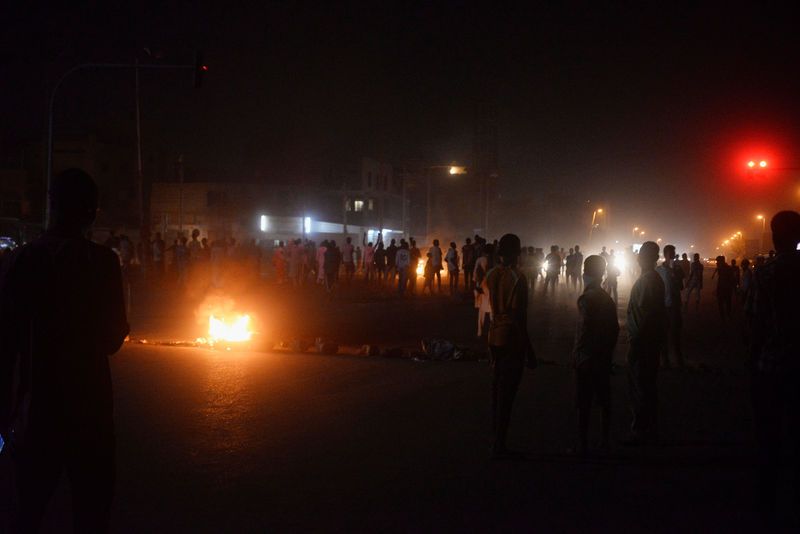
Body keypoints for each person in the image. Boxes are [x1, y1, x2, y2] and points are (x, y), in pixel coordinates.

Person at [0, 169, 129, 532]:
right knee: (91, 514)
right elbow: (112, 339)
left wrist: (6, 409)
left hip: (37, 409)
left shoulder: (20, 260)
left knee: (27, 513)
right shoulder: (102, 262)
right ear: (91, 211)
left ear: (51, 206)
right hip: (91, 413)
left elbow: (6, 343)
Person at [748, 211, 800, 523]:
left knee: (769, 435)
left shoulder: (766, 273)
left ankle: (767, 501)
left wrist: (751, 361)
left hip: (772, 367)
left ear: (774, 235)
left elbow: (756, 324)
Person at [486, 234, 535, 458]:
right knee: (508, 393)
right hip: (511, 337)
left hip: (493, 335)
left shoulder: (491, 274)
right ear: (517, 252)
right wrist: (529, 349)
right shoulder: (518, 278)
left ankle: (495, 437)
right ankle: (500, 442)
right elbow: (518, 316)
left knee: (497, 390)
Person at [572, 255, 619, 454]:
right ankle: (604, 441)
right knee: (603, 400)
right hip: (603, 355)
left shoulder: (586, 299)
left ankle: (582, 445)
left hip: (587, 357)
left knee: (584, 402)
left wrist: (577, 353)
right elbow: (615, 329)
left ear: (585, 272)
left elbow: (584, 328)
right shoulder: (607, 298)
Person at [625, 241, 666, 445]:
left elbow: (648, 314)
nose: (638, 257)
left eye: (641, 254)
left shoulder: (649, 281)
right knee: (646, 386)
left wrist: (637, 340)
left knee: (641, 387)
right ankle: (650, 429)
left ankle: (641, 432)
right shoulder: (650, 279)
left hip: (643, 342)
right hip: (646, 340)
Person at [656, 245, 685, 368]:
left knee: (675, 333)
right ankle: (665, 360)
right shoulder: (658, 270)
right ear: (665, 254)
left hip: (674, 306)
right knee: (662, 333)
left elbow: (681, 287)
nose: (673, 256)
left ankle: (678, 360)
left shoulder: (678, 269)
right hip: (662, 306)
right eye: (671, 254)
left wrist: (674, 274)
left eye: (674, 254)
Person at [711, 255, 735, 320]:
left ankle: (725, 317)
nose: (716, 263)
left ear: (721, 261)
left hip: (725, 289)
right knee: (726, 303)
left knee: (723, 303)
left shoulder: (725, 269)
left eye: (718, 261)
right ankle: (726, 316)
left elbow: (729, 279)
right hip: (725, 289)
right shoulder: (723, 268)